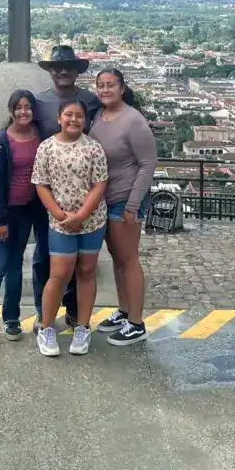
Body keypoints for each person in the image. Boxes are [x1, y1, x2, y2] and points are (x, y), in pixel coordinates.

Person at [0, 46, 99, 332]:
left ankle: (73, 310)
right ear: (50, 71)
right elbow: (16, 121)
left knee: (75, 258)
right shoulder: (38, 101)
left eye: (69, 67)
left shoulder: (90, 101)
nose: (63, 71)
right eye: (57, 67)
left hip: (77, 188)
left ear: (77, 71)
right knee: (45, 256)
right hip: (43, 189)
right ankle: (42, 310)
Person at [31, 99, 108, 357]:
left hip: (92, 219)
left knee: (86, 271)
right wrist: (59, 213)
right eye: (68, 115)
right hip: (61, 221)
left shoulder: (94, 148)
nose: (73, 120)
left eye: (79, 116)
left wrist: (83, 214)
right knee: (59, 274)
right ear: (58, 118)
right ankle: (46, 326)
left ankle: (83, 326)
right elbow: (41, 184)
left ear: (85, 121)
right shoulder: (47, 148)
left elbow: (100, 184)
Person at [89, 67, 157, 346]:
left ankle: (137, 322)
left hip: (124, 200)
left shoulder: (133, 120)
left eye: (110, 85)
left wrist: (133, 204)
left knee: (129, 260)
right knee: (117, 259)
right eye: (101, 86)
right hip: (105, 199)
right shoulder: (99, 115)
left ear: (122, 87)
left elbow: (148, 163)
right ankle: (124, 310)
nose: (105, 90)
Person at [0, 90, 41, 348]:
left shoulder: (39, 136)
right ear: (11, 111)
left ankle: (12, 318)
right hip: (3, 212)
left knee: (15, 267)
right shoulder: (1, 140)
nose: (23, 111)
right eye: (18, 107)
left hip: (25, 211)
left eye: (28, 107)